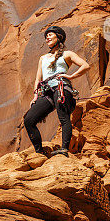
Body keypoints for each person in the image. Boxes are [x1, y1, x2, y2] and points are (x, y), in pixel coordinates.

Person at [23, 26, 90, 156]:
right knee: (29, 120)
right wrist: (36, 96)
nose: (47, 37)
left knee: (64, 118)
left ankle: (64, 149)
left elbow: (85, 66)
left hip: (62, 88)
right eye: (46, 35)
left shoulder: (67, 54)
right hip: (47, 92)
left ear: (58, 37)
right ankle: (39, 152)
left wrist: (70, 77)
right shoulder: (43, 58)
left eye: (50, 35)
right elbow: (38, 79)